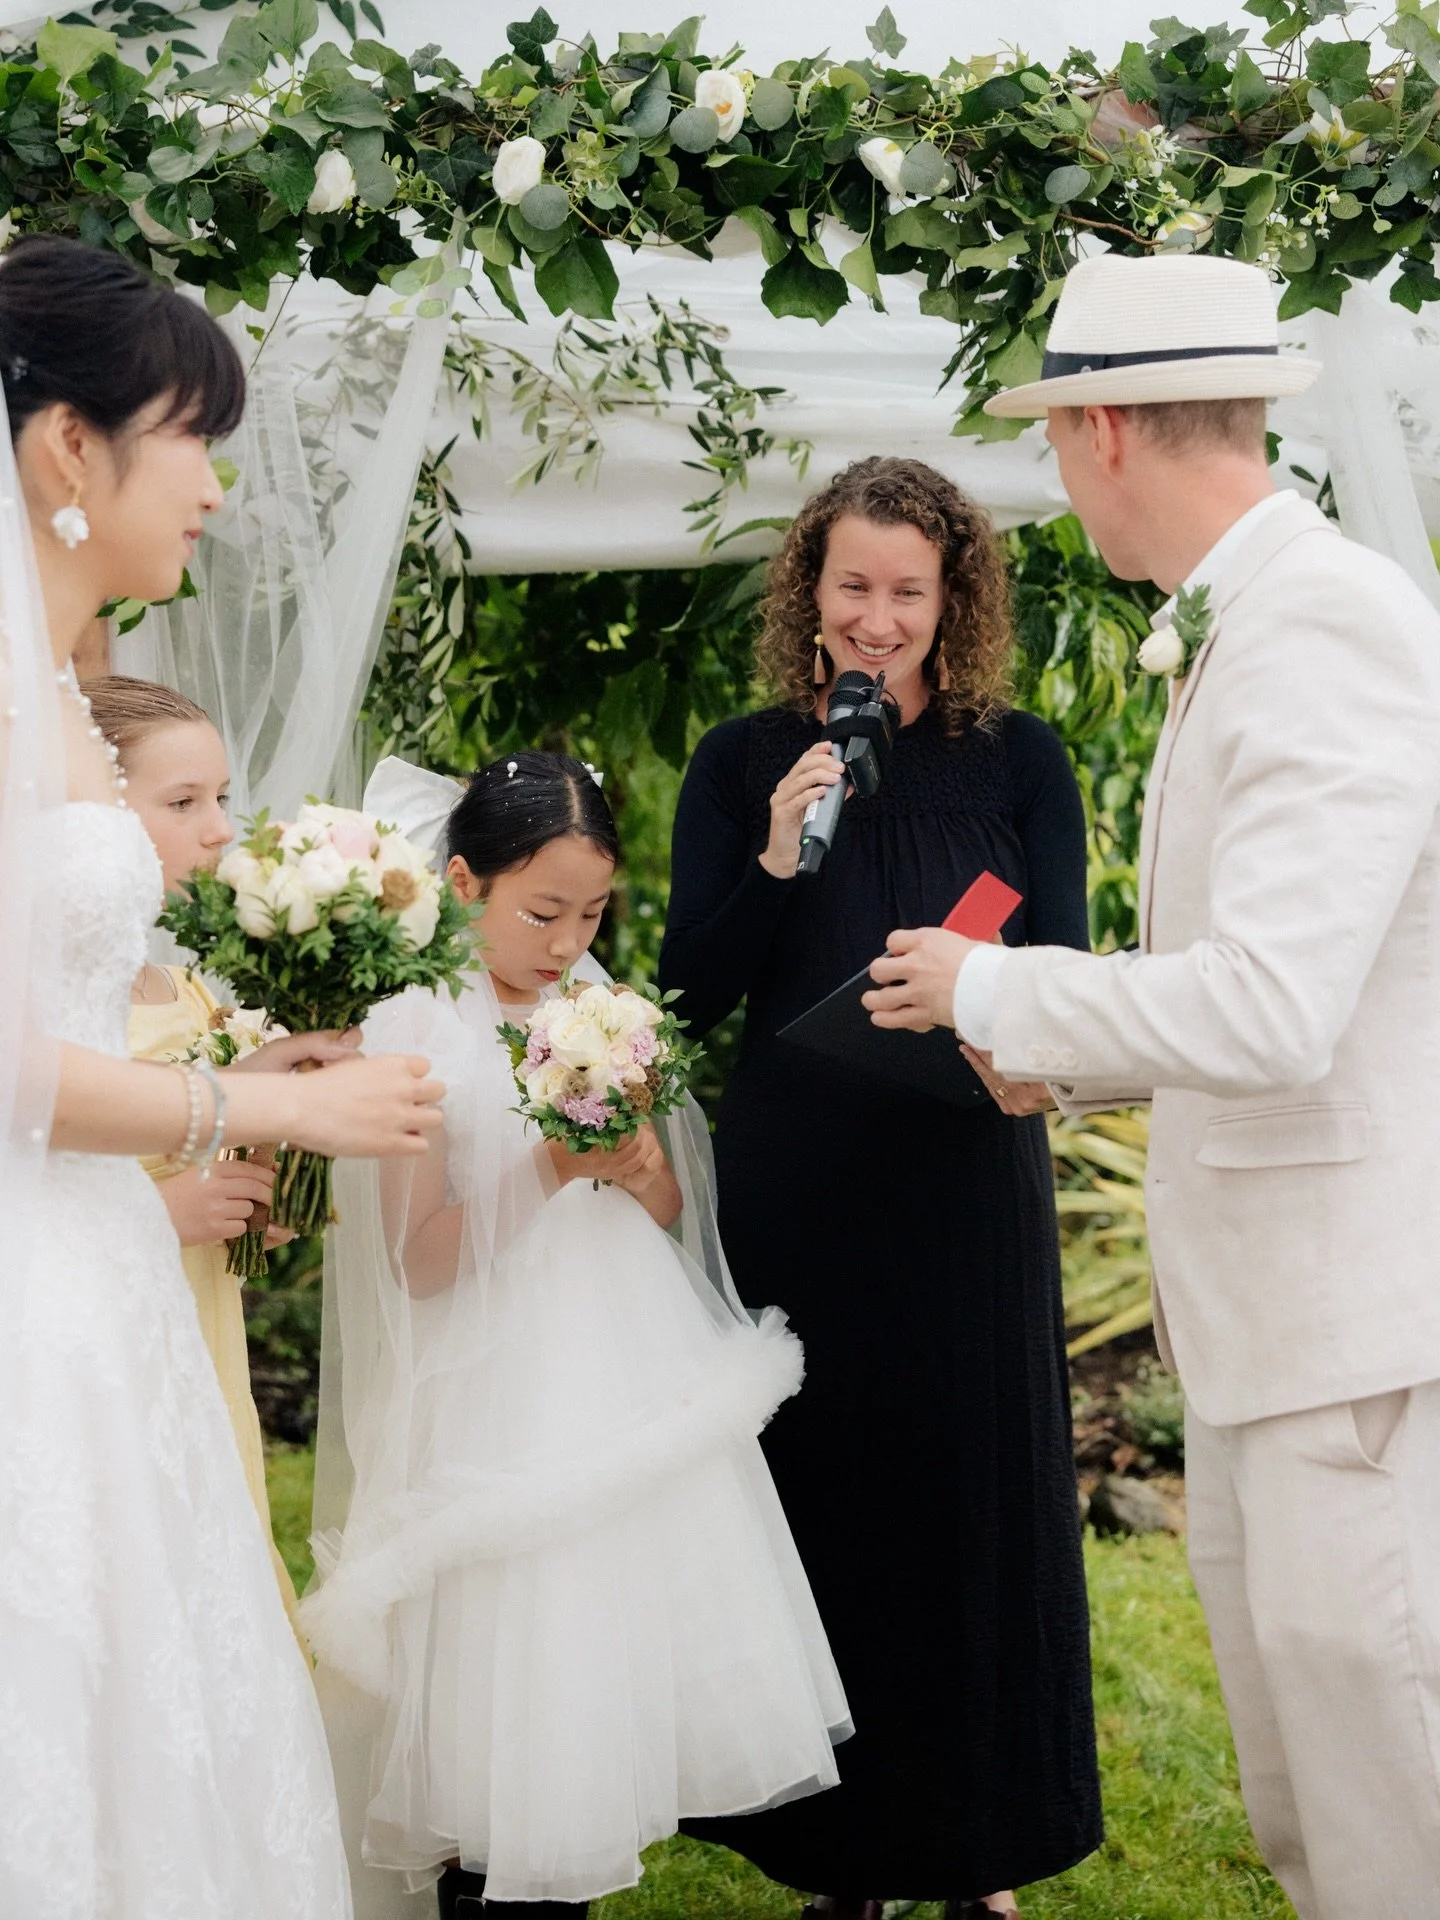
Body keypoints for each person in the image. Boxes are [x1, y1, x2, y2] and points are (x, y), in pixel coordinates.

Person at [865, 252, 1440, 1920]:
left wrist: (995, 985)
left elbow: (1273, 1008)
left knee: (1390, 1800)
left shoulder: (1322, 621)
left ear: (1103, 427)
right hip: (1289, 1334)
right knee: (1313, 1808)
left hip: (1360, 1340)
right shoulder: (1264, 618)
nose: (1062, 477)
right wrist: (1069, 1063)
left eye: (1055, 441)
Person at [0, 235, 445, 1919]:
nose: (213, 486)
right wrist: (268, 1108)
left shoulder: (55, 692)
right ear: (68, 450)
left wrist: (257, 1062)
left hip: (98, 1275)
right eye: (191, 436)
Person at [659, 457, 1101, 1919]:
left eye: (909, 590)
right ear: (813, 588)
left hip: (964, 1175)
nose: (879, 618)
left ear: (953, 597)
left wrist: (1006, 1028)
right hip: (803, 1187)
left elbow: (1069, 970)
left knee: (971, 1504)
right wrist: (783, 856)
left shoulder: (1021, 759)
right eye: (854, 585)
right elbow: (687, 987)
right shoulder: (741, 760)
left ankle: (978, 1850)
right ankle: (838, 1856)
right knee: (827, 1501)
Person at [302, 750, 850, 1920]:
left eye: (593, 912)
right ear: (460, 883)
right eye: (543, 910)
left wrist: (642, 1171)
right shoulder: (412, 1033)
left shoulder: (598, 1014)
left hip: (612, 1378)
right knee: (498, 1715)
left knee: (584, 1708)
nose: (567, 940)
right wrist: (552, 1165)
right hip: (489, 1400)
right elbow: (422, 1261)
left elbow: (663, 1212)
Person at [88, 671, 326, 1635]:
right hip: (101, 1363)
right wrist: (163, 1212)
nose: (220, 828)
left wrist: (258, 1201)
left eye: (220, 798)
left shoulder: (185, 997)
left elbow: (241, 1220)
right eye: (182, 802)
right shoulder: (42, 996)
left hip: (201, 1342)